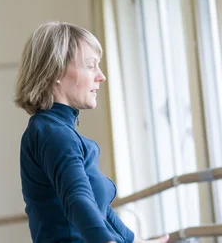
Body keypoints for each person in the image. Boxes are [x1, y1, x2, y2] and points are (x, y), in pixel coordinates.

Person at [15, 21, 169, 243]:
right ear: (56, 70)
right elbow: (77, 199)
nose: (101, 76)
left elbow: (100, 208)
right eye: (91, 65)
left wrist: (136, 241)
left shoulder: (55, 130)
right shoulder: (54, 134)